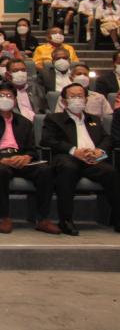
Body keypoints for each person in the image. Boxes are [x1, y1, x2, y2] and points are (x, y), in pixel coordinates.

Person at [0, 82, 61, 235]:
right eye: (1, 95)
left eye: (9, 96)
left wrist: (27, 157)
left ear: (15, 100)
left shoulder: (25, 122)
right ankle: (5, 217)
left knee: (45, 170)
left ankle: (43, 219)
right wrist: (1, 159)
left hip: (21, 159)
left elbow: (32, 149)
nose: (5, 98)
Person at [41, 84, 118, 235]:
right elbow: (47, 140)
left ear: (86, 99)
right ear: (64, 101)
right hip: (68, 158)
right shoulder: (54, 119)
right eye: (72, 96)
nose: (77, 99)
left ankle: (117, 218)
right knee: (68, 169)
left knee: (111, 172)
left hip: (92, 159)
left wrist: (99, 151)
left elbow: (107, 138)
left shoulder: (94, 118)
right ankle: (66, 220)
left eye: (80, 96)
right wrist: (74, 151)